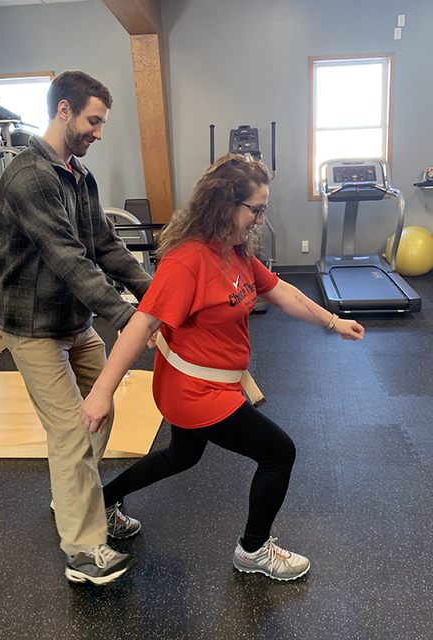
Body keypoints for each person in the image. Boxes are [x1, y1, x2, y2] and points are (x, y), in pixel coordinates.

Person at [80, 152, 364, 581]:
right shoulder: (187, 261)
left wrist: (332, 321)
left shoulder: (233, 252)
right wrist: (101, 393)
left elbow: (280, 291)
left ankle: (105, 498)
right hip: (195, 391)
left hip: (216, 385)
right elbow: (141, 325)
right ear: (225, 204)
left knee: (182, 456)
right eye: (256, 209)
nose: (260, 219)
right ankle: (253, 550)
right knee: (278, 453)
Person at [0, 70, 152, 585]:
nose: (98, 132)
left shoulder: (79, 175)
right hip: (34, 328)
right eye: (93, 120)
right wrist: (131, 319)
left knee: (101, 413)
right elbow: (70, 260)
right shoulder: (29, 177)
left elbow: (104, 246)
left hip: (75, 323)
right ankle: (84, 552)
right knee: (71, 428)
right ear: (64, 110)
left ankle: (74, 497)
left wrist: (155, 296)